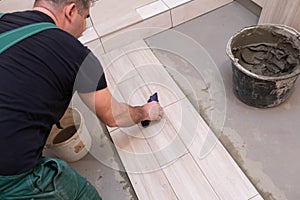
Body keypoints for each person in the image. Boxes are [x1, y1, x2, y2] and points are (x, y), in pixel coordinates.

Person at [0, 0, 163, 199]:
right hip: (10, 176)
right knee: (82, 194)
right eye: (86, 18)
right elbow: (113, 116)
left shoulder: (5, 21)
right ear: (71, 10)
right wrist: (146, 111)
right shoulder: (76, 54)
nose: (83, 30)